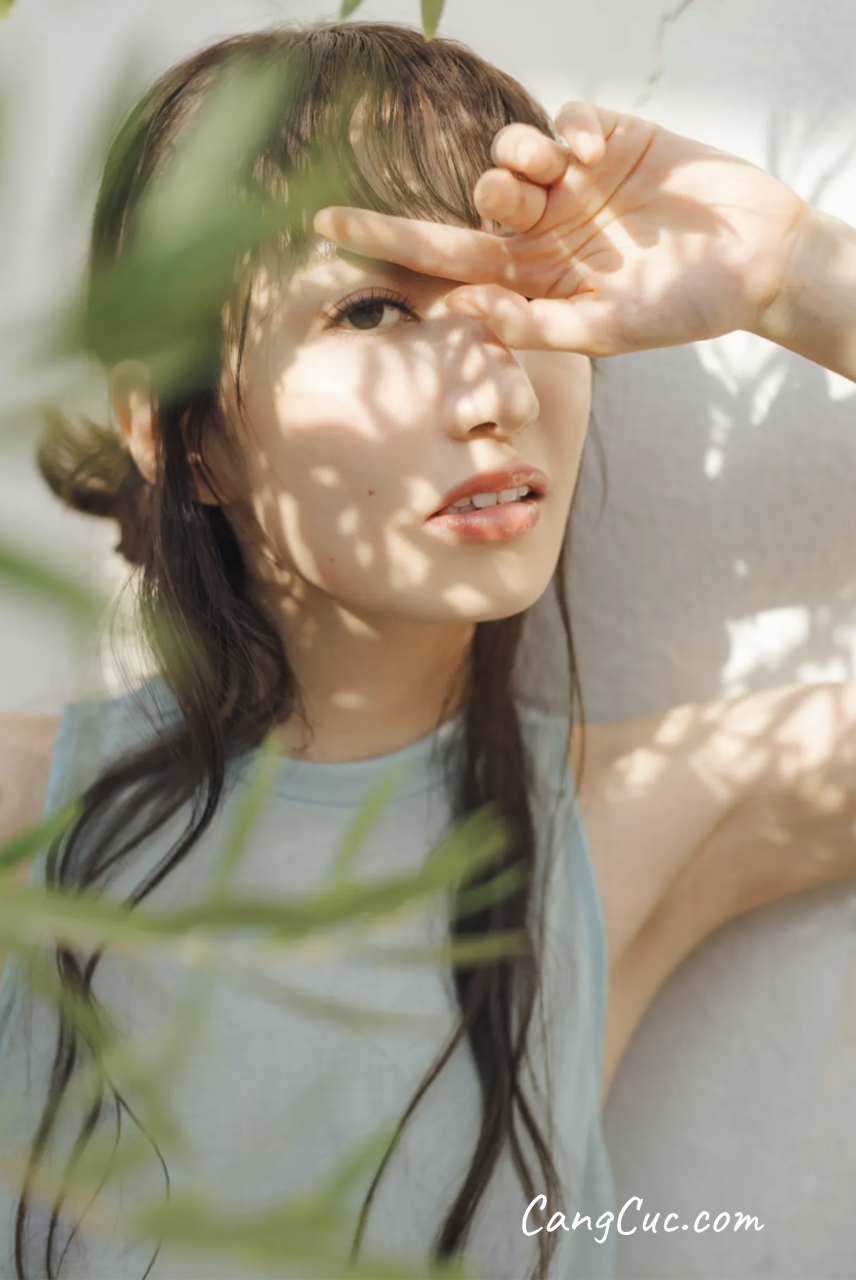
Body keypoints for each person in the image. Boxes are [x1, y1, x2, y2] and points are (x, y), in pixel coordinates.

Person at [0, 17, 855, 1280]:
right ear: (182, 433)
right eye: (370, 309)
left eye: (528, 298)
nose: (497, 387)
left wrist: (798, 278)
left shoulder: (624, 823)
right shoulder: (28, 822)